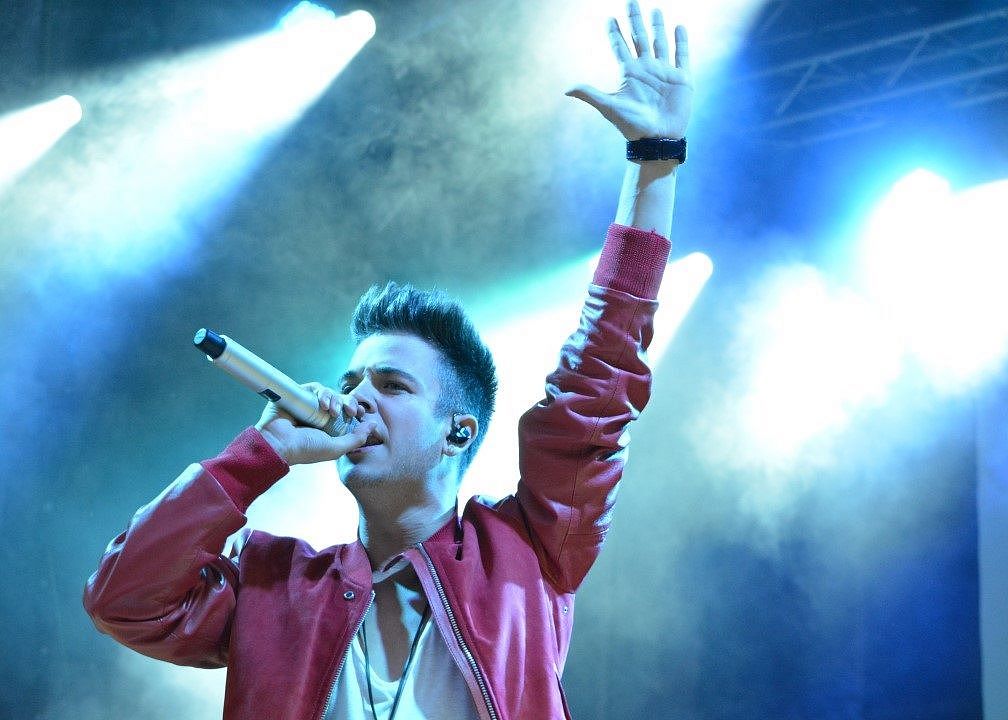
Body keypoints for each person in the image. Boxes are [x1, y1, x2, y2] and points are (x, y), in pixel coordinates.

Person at [83, 2, 693, 718]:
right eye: (351, 381)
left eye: (394, 384)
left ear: (457, 431)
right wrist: (260, 454)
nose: (356, 398)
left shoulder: (529, 551)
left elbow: (598, 383)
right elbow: (125, 600)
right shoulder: (275, 584)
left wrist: (655, 161)